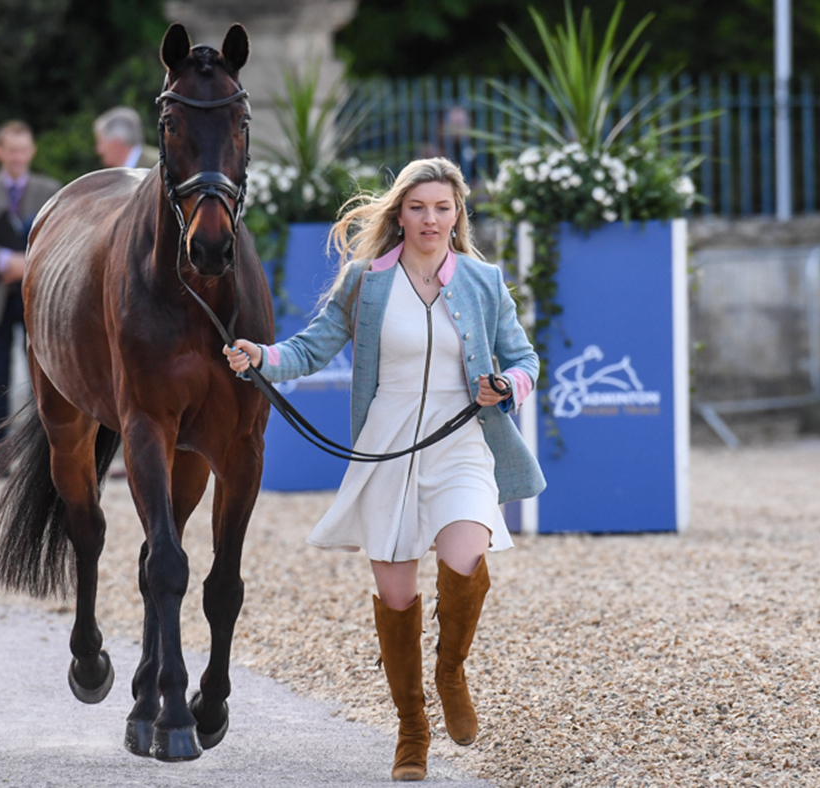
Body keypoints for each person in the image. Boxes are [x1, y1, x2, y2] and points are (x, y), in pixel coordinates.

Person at [223, 157, 545, 782]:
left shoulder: (482, 280)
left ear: (458, 216)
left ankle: (450, 671)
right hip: (387, 446)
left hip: (462, 442)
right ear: (400, 213)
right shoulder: (365, 282)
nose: (431, 219)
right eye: (418, 207)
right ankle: (411, 727)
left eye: (442, 208)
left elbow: (526, 357)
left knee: (464, 557)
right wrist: (260, 354)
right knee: (395, 595)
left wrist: (506, 384)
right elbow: (312, 346)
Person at [0, 121, 59, 461]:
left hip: (37, 299)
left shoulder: (50, 188)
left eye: (23, 149)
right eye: (11, 149)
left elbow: (61, 235)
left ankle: (46, 451)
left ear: (31, 151)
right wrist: (5, 261)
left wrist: (27, 263)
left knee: (44, 376)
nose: (18, 156)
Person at [93, 106, 159, 170]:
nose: (98, 150)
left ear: (116, 142)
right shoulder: (119, 173)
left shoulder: (160, 166)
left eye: (101, 142)